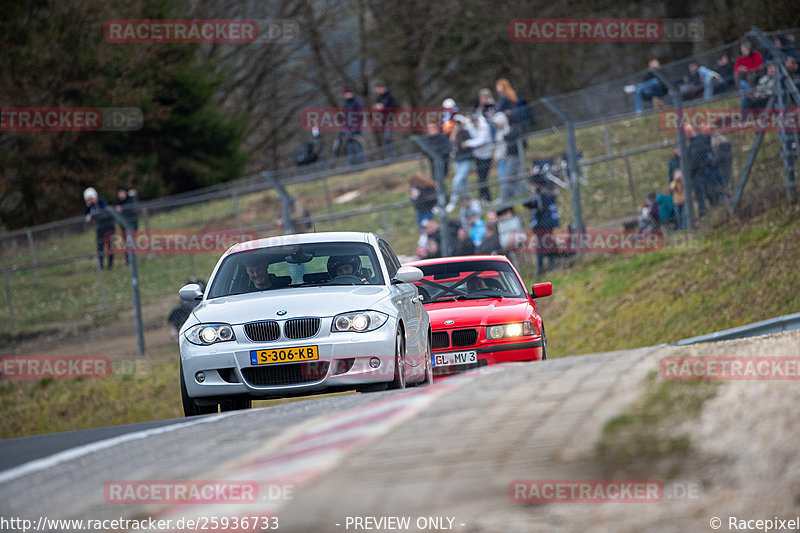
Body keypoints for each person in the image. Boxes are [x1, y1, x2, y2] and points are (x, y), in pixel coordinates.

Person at [495, 79, 525, 195]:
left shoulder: (505, 97)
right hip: (513, 145)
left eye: (498, 86)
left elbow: (498, 110)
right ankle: (520, 193)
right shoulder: (513, 96)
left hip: (513, 148)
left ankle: (504, 197)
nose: (497, 89)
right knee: (516, 173)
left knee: (509, 174)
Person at [525, 178, 560, 275]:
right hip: (542, 225)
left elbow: (537, 205)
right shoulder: (543, 193)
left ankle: (543, 269)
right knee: (545, 244)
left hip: (544, 225)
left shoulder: (542, 195)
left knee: (542, 245)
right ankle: (548, 266)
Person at [463, 111, 493, 202]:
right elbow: (464, 126)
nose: (474, 123)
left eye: (475, 121)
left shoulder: (484, 127)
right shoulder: (471, 126)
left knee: (483, 177)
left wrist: (467, 143)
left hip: (486, 156)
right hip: (478, 156)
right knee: (480, 177)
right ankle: (483, 196)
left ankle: (487, 197)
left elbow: (481, 141)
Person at [83, 187, 115, 270]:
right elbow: (85, 213)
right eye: (89, 200)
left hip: (108, 226)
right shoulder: (90, 206)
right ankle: (101, 265)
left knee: (110, 245)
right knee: (100, 246)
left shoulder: (101, 201)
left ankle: (110, 265)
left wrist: (92, 214)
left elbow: (103, 208)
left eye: (91, 199)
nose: (91, 201)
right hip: (100, 227)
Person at [446, 113, 473, 213]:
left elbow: (469, 144)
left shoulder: (465, 132)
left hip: (466, 160)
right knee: (463, 182)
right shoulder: (453, 134)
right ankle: (469, 199)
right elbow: (451, 145)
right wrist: (453, 134)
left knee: (456, 181)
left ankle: (453, 201)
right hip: (457, 161)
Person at [685, 124, 713, 218]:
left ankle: (703, 213)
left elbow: (695, 161)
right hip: (698, 172)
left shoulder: (697, 143)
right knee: (702, 194)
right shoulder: (695, 142)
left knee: (701, 195)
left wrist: (689, 171)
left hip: (698, 173)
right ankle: (705, 212)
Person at [112, 186, 139, 265]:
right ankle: (128, 260)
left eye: (123, 192)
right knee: (126, 242)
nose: (121, 195)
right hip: (123, 226)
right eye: (120, 193)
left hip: (132, 224)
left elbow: (134, 206)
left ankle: (132, 259)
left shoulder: (130, 199)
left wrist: (123, 209)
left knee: (131, 241)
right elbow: (113, 208)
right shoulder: (117, 202)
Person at [372, 80, 398, 154]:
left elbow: (395, 108)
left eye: (377, 89)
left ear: (381, 88)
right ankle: (389, 155)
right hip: (382, 121)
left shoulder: (390, 96)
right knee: (386, 139)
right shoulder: (379, 98)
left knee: (388, 137)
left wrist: (383, 107)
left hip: (389, 119)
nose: (376, 91)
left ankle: (392, 155)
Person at [340, 87, 364, 165]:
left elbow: (360, 115)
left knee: (358, 147)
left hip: (356, 129)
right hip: (348, 130)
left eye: (348, 93)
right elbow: (345, 117)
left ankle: (362, 164)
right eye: (345, 94)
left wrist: (355, 127)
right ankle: (351, 166)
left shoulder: (356, 102)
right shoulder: (345, 104)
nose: (347, 95)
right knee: (350, 149)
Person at [491, 111, 512, 201]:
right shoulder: (498, 132)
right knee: (501, 179)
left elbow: (506, 146)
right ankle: (505, 196)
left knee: (505, 178)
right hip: (500, 159)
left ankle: (504, 197)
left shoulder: (507, 130)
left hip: (505, 158)